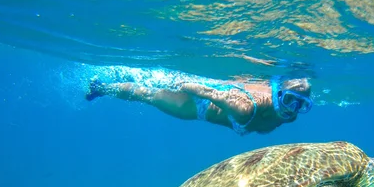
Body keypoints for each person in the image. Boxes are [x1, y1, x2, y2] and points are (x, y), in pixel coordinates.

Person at [85, 73, 312, 135]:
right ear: (278, 92)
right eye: (289, 100)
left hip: (215, 93)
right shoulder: (246, 109)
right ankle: (101, 88)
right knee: (148, 94)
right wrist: (182, 83)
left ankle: (108, 85)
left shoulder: (290, 116)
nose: (291, 109)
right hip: (194, 106)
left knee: (150, 94)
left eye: (301, 105)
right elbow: (210, 93)